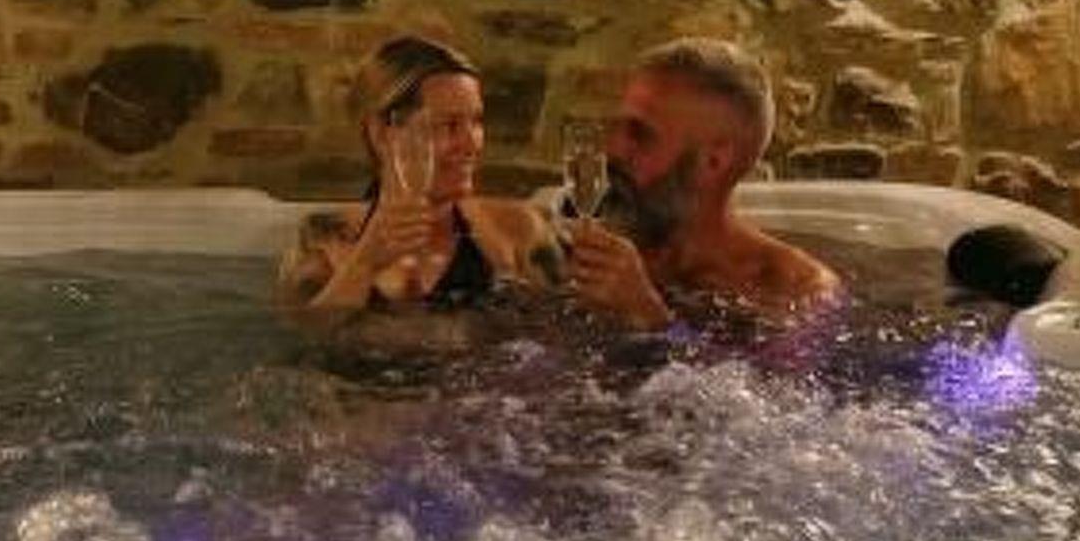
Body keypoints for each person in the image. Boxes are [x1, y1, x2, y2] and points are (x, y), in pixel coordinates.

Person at [567, 37, 839, 328]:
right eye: (616, 127)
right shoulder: (590, 251)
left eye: (641, 134)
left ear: (713, 161)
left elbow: (774, 363)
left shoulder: (794, 288)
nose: (612, 149)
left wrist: (650, 318)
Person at [280, 35, 560, 312]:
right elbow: (300, 333)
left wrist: (591, 296)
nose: (471, 143)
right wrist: (365, 264)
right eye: (449, 125)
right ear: (382, 134)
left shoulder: (518, 230)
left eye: (476, 121)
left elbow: (562, 325)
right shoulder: (325, 240)